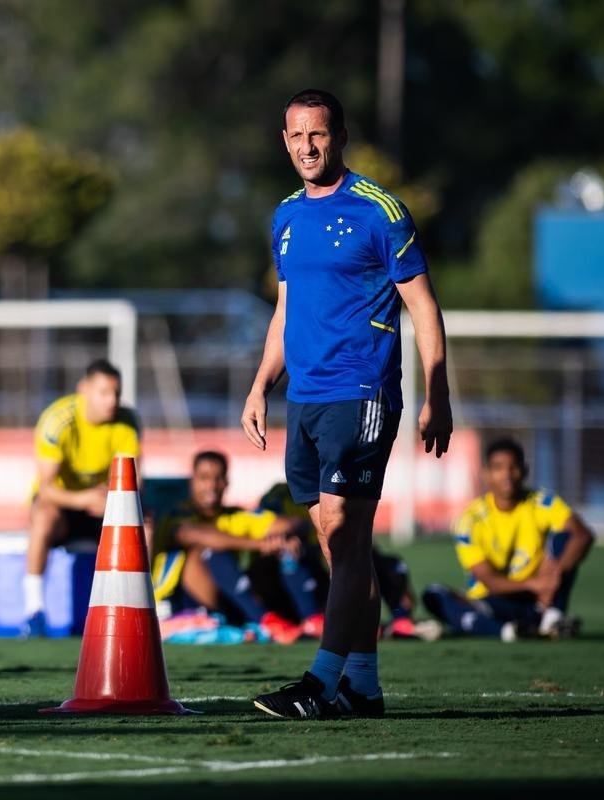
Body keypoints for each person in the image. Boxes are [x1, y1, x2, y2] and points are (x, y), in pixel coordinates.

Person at [241, 89, 452, 720]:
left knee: (350, 532)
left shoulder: (380, 211)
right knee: (337, 544)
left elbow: (423, 306)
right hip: (303, 399)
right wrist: (259, 387)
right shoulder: (283, 217)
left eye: (319, 135)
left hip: (361, 392)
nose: (307, 147)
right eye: (296, 136)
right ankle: (363, 683)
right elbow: (285, 311)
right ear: (285, 140)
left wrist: (436, 393)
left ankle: (321, 678)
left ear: (340, 137)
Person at [423, 437, 594, 641]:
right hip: (496, 601)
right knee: (434, 594)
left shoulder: (542, 502)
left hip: (540, 598)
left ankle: (551, 618)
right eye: (498, 467)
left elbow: (583, 535)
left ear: (525, 470)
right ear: (486, 474)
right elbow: (488, 580)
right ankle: (509, 631)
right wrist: (532, 583)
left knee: (565, 538)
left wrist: (555, 572)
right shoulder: (470, 520)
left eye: (513, 467)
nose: (507, 474)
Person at [150, 452, 325, 644]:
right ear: (192, 481)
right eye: (204, 478)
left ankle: (313, 619)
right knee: (211, 551)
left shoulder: (233, 516)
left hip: (230, 598)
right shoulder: (175, 514)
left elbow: (293, 523)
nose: (211, 486)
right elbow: (196, 535)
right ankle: (265, 620)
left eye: (218, 478)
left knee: (288, 547)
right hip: (180, 603)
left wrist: (281, 540)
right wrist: (260, 543)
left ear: (226, 482)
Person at [23, 359, 139, 634]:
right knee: (43, 514)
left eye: (116, 393)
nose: (112, 401)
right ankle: (34, 610)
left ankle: (143, 605)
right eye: (104, 393)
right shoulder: (58, 420)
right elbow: (46, 488)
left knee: (145, 522)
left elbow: (135, 483)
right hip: (64, 507)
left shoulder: (128, 422)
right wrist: (84, 499)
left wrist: (111, 503)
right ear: (83, 389)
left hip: (103, 506)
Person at [258, 482, 442, 641]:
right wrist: (305, 526)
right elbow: (267, 528)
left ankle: (400, 621)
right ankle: (313, 620)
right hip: (293, 577)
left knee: (382, 559)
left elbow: (360, 538)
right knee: (291, 555)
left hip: (329, 569)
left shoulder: (340, 491)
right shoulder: (280, 494)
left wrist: (392, 577)